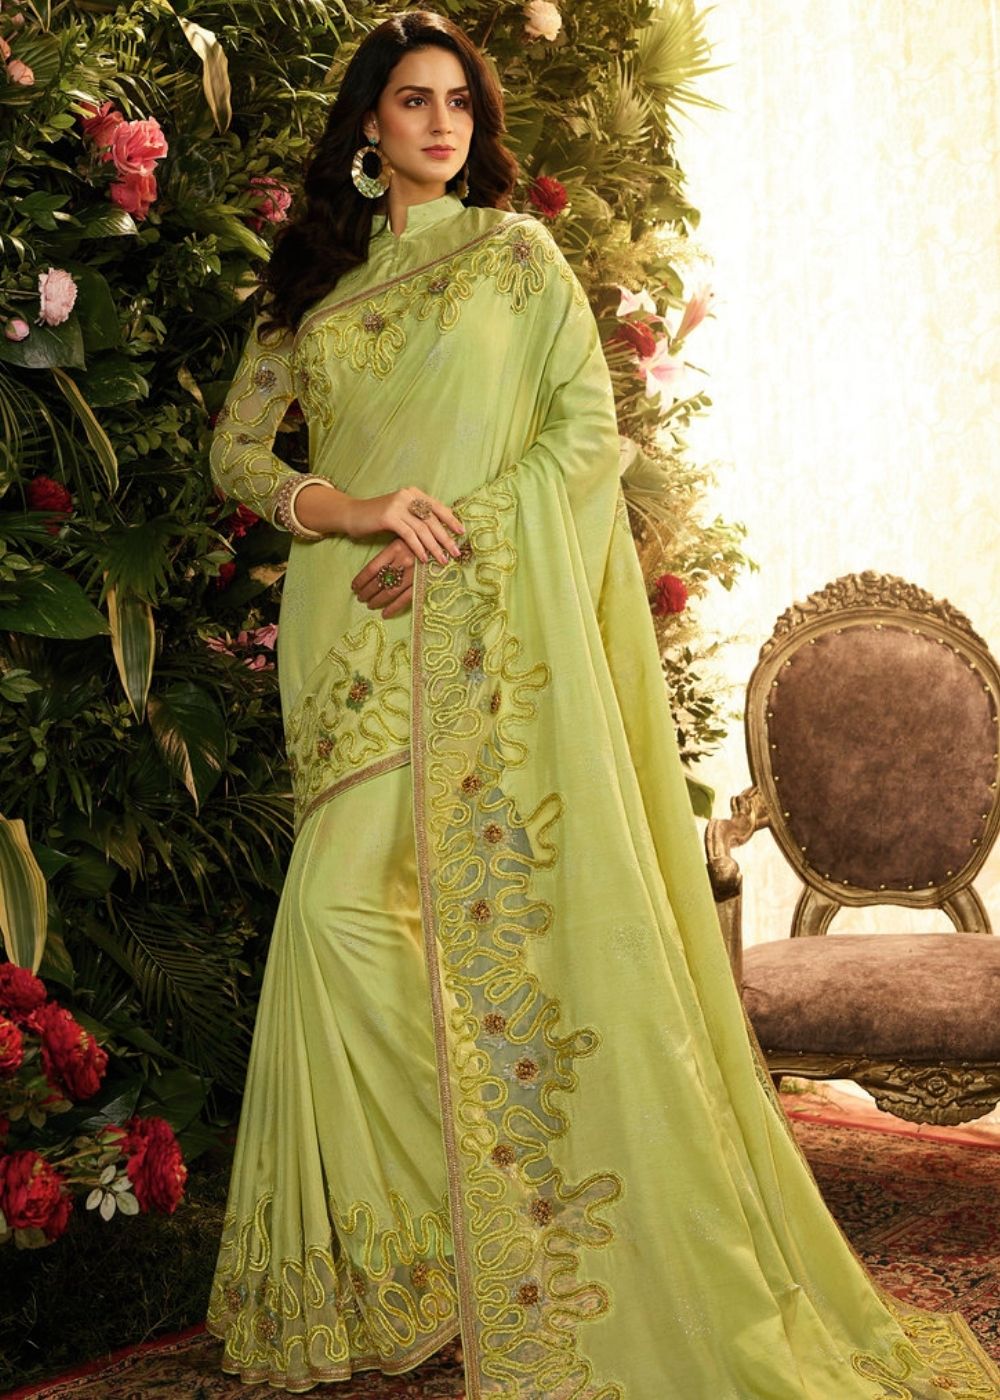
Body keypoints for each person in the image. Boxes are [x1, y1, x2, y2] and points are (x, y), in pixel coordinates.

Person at [205, 11, 1000, 1398]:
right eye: (412, 101)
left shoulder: (517, 258)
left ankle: (518, 1211)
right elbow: (235, 453)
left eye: (459, 102)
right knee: (338, 924)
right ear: (368, 126)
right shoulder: (311, 291)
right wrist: (352, 509)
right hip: (347, 639)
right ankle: (459, 1236)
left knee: (411, 925)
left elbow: (586, 437)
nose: (440, 123)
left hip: (472, 624)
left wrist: (450, 540)